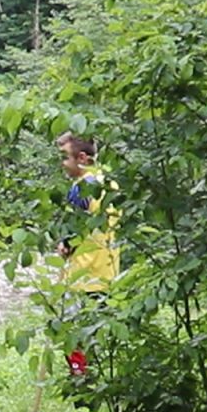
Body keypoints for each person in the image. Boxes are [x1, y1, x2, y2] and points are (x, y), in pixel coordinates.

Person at [55, 132, 120, 377]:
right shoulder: (109, 184)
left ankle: (83, 396)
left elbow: (74, 232)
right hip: (107, 274)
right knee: (98, 343)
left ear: (82, 158)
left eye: (65, 158)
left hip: (82, 277)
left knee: (75, 344)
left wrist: (64, 245)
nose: (62, 164)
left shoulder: (81, 188)